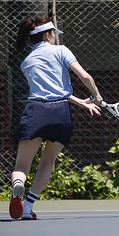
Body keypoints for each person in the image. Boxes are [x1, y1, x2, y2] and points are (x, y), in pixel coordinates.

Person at [9, 16, 104, 220]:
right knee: (47, 163)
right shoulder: (61, 51)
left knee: (21, 167)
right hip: (60, 113)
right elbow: (84, 77)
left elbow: (48, 90)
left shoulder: (26, 62)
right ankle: (28, 207)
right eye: (53, 34)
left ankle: (18, 184)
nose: (54, 37)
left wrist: (81, 101)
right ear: (47, 34)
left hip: (36, 111)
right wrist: (96, 96)